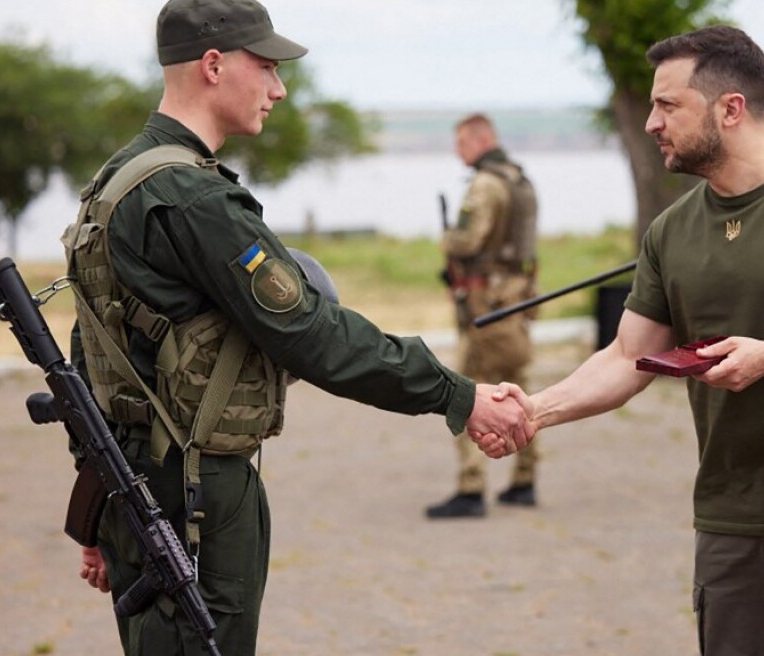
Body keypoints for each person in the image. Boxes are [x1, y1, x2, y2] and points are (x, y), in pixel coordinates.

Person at [66, 1, 531, 654]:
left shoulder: (113, 182)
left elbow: (89, 353)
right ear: (213, 66)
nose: (278, 88)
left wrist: (98, 508)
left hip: (131, 485)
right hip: (195, 496)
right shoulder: (195, 199)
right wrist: (458, 394)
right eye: (266, 67)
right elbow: (313, 334)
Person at [480, 25, 764, 656]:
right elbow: (627, 356)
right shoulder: (671, 230)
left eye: (668, 105)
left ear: (730, 109)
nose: (653, 123)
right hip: (727, 522)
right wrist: (535, 411)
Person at [426, 113, 542, 519]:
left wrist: (447, 240)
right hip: (517, 301)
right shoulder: (520, 180)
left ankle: (471, 487)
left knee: (464, 391)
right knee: (521, 390)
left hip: (486, 308)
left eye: (462, 142)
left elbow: (468, 239)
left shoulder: (486, 184)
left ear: (481, 140)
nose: (458, 151)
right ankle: (525, 480)